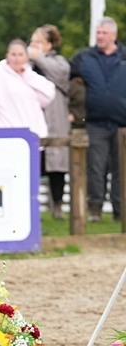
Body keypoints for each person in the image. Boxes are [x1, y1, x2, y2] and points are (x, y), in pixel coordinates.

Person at [69, 17, 126, 221]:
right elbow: (65, 79)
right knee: (95, 168)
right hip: (94, 123)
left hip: (122, 124)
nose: (100, 36)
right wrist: (73, 108)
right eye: (98, 33)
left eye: (104, 33)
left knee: (122, 169)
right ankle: (95, 210)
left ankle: (120, 211)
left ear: (114, 35)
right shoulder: (83, 57)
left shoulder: (124, 57)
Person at [0, 39, 56, 151]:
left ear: (27, 57)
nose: (17, 58)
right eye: (13, 54)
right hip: (3, 134)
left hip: (29, 136)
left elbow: (49, 93)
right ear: (7, 56)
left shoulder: (31, 76)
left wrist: (27, 76)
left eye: (20, 54)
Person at [28, 24, 71, 219]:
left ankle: (57, 207)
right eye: (32, 41)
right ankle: (31, 206)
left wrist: (39, 58)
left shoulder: (59, 62)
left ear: (49, 45)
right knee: (32, 164)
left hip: (55, 120)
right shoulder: (27, 64)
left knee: (56, 167)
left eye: (38, 42)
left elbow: (59, 74)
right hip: (32, 120)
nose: (33, 45)